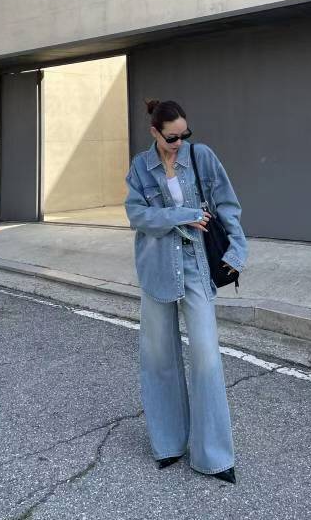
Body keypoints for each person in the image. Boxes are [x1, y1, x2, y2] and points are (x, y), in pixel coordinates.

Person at [124, 98, 248, 484]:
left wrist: (237, 251)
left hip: (196, 266)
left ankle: (214, 456)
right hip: (156, 267)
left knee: (207, 356)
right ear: (155, 133)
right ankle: (168, 444)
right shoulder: (140, 167)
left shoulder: (201, 156)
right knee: (158, 356)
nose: (180, 142)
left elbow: (227, 204)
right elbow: (137, 215)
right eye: (172, 137)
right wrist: (185, 215)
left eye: (185, 134)